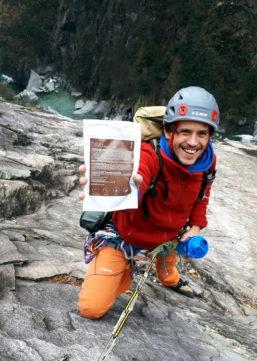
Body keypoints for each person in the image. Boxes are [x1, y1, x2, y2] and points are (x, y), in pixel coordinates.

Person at [78, 86, 219, 319]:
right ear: (167, 131)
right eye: (185, 132)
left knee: (168, 267)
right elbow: (137, 177)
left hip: (169, 235)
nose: (193, 142)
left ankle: (168, 276)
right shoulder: (148, 154)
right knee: (91, 308)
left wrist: (195, 226)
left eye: (201, 134)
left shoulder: (207, 162)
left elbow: (203, 194)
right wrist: (115, 189)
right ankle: (124, 269)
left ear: (209, 136)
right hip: (127, 235)